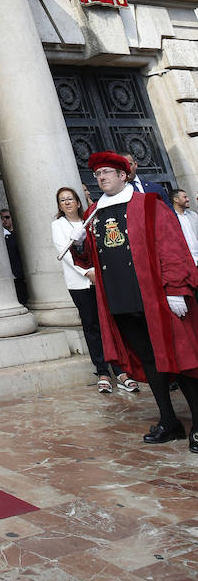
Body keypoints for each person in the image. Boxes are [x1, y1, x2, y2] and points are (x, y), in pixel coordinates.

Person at [72, 150, 198, 451]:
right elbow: (92, 256)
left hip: (155, 298)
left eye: (107, 172)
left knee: (180, 361)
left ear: (123, 175)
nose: (101, 177)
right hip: (121, 301)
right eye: (97, 174)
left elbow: (172, 245)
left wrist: (176, 287)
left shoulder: (149, 205)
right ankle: (169, 420)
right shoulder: (95, 212)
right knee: (151, 362)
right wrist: (79, 245)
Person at [52, 187, 137, 394]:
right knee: (91, 326)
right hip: (80, 283)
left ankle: (120, 370)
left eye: (70, 199)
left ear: (78, 202)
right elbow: (64, 251)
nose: (67, 203)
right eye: (62, 201)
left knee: (110, 323)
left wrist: (99, 272)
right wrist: (87, 272)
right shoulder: (58, 225)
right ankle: (102, 372)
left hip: (102, 278)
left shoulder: (90, 218)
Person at [0, 207, 28, 305]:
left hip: (21, 274)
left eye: (7, 217)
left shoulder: (19, 234)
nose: (4, 220)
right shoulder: (3, 235)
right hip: (12, 275)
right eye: (1, 218)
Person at [171, 189, 198, 259]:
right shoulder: (170, 218)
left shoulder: (194, 215)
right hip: (185, 261)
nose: (188, 199)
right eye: (185, 197)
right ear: (176, 199)